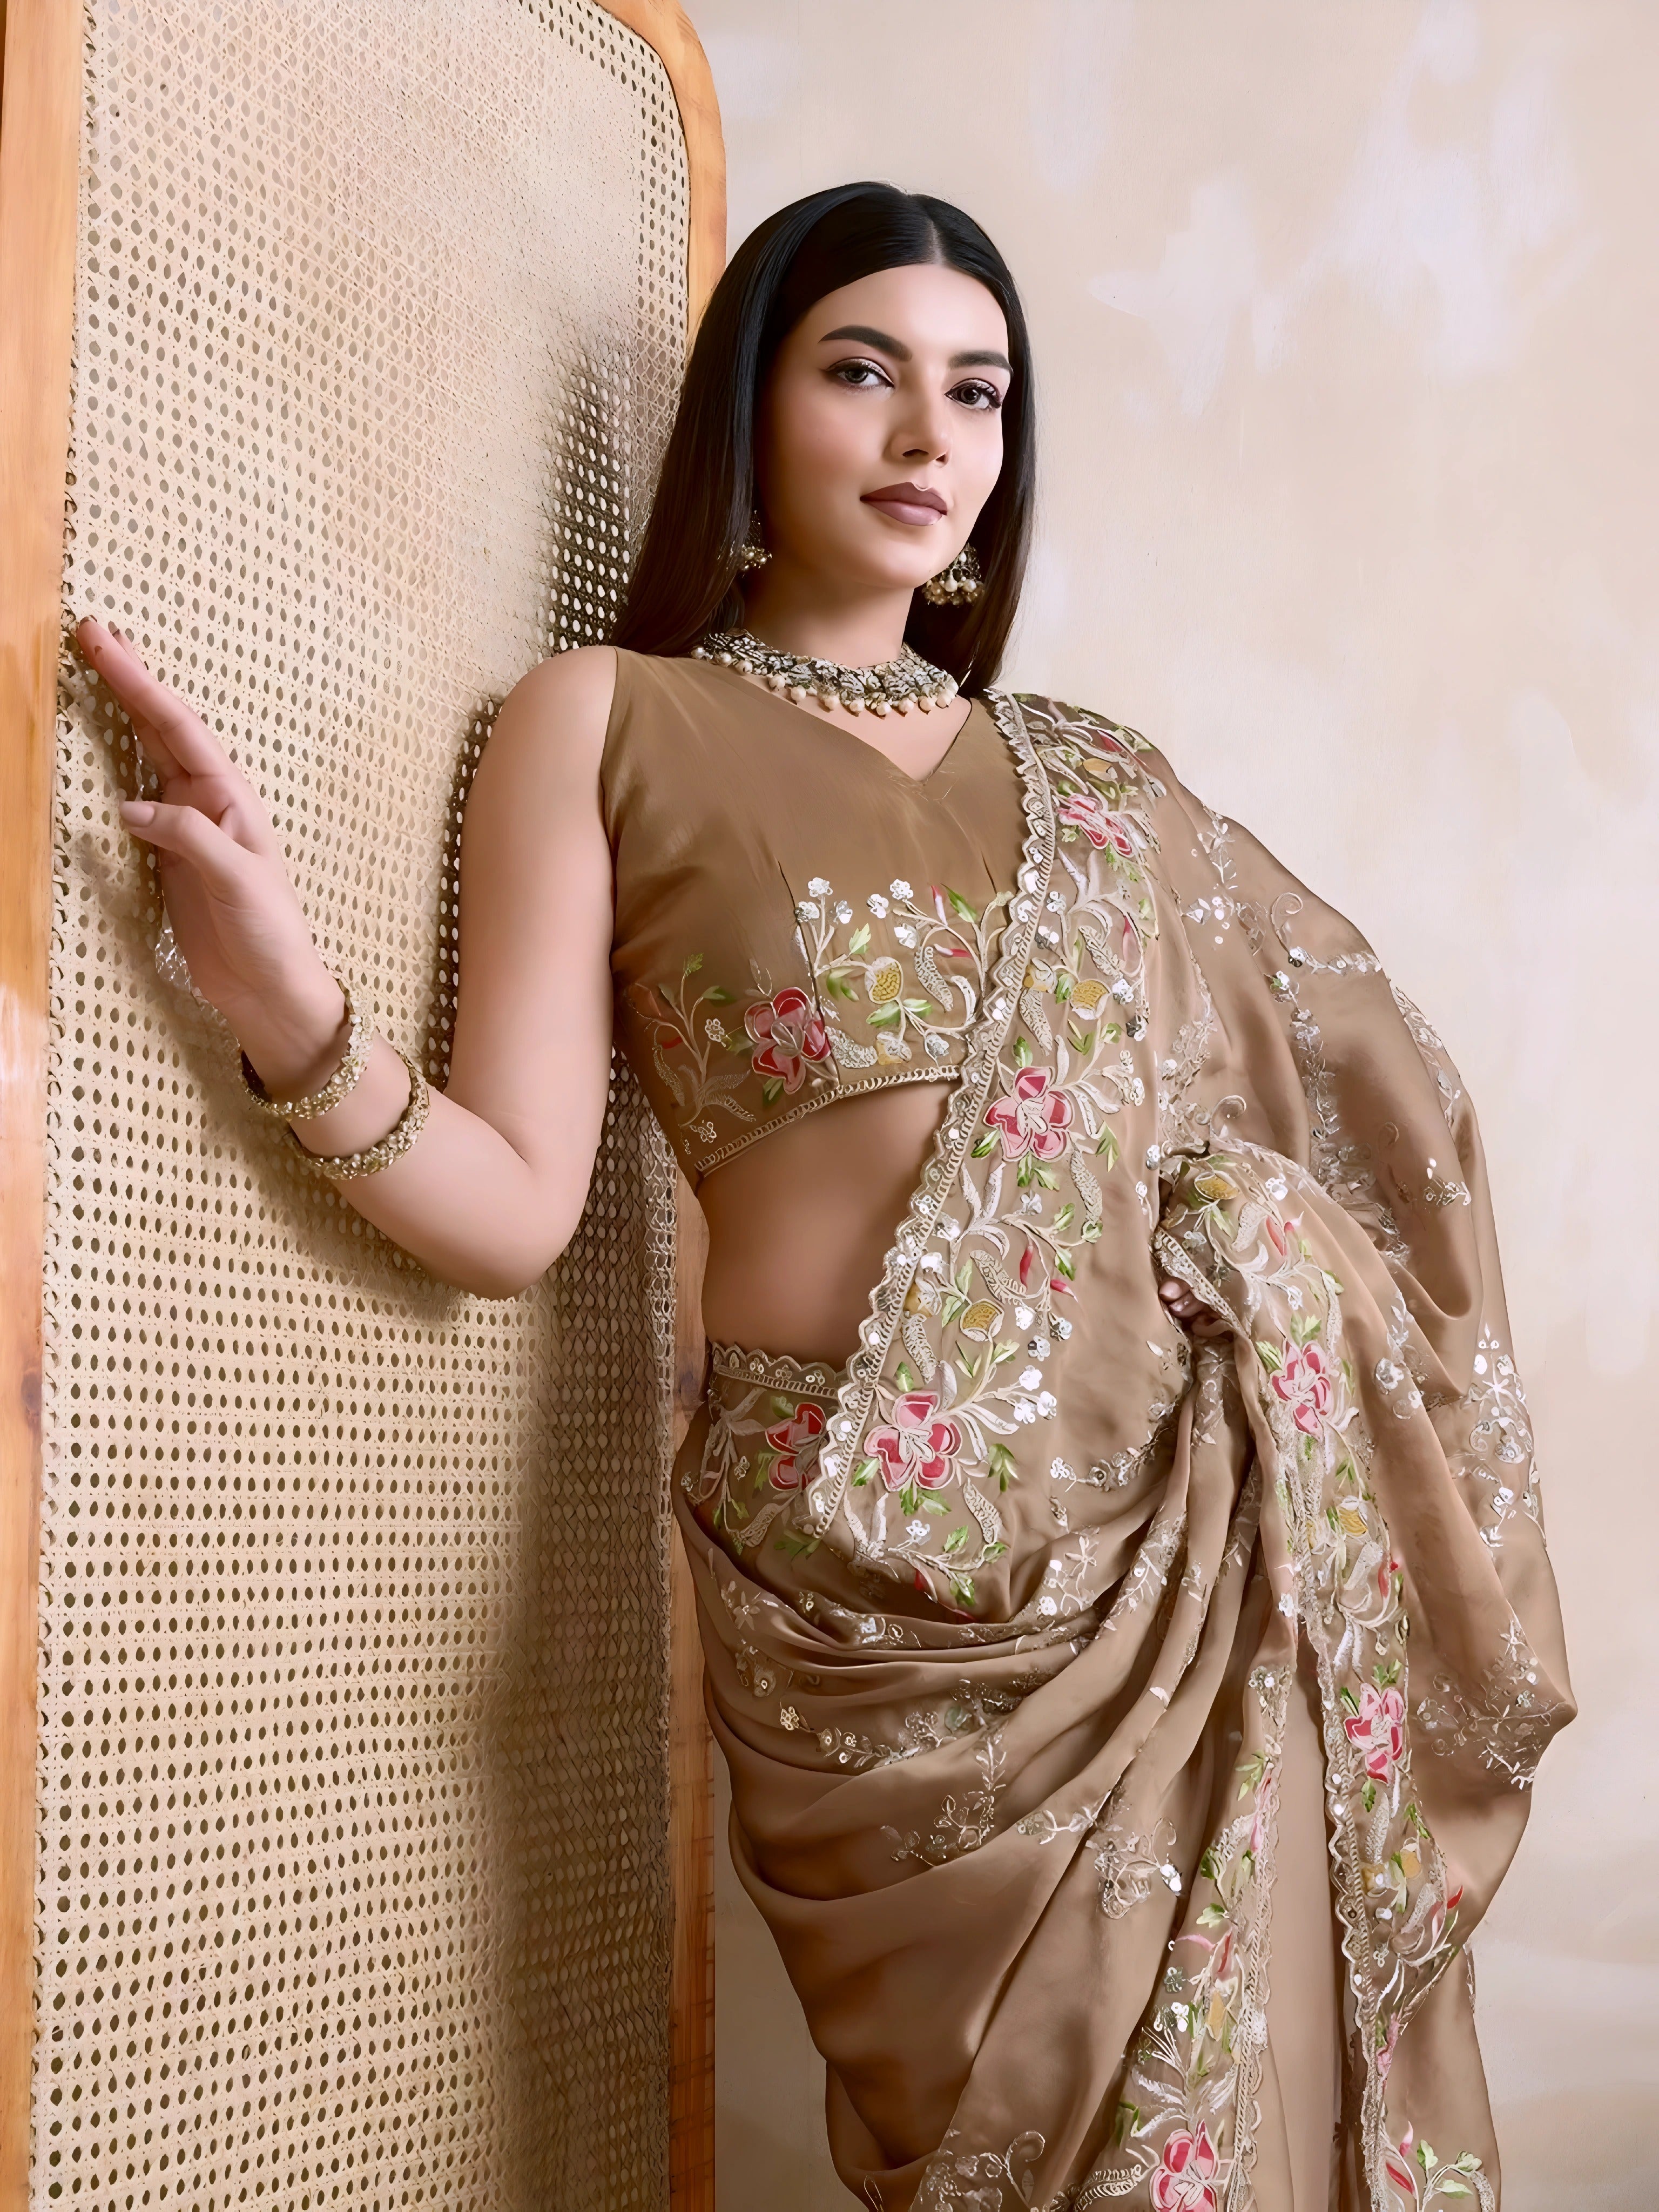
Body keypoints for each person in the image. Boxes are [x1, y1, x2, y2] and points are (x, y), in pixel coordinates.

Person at [78, 183, 1571, 2212]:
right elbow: (519, 1202)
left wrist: (1242, 1248)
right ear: (753, 408)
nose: (928, 437)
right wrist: (287, 1008)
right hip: (847, 1595)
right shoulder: (610, 722)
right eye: (862, 370)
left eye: (980, 393)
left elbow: (1383, 1112)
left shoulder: (1097, 788)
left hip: (1169, 1561)